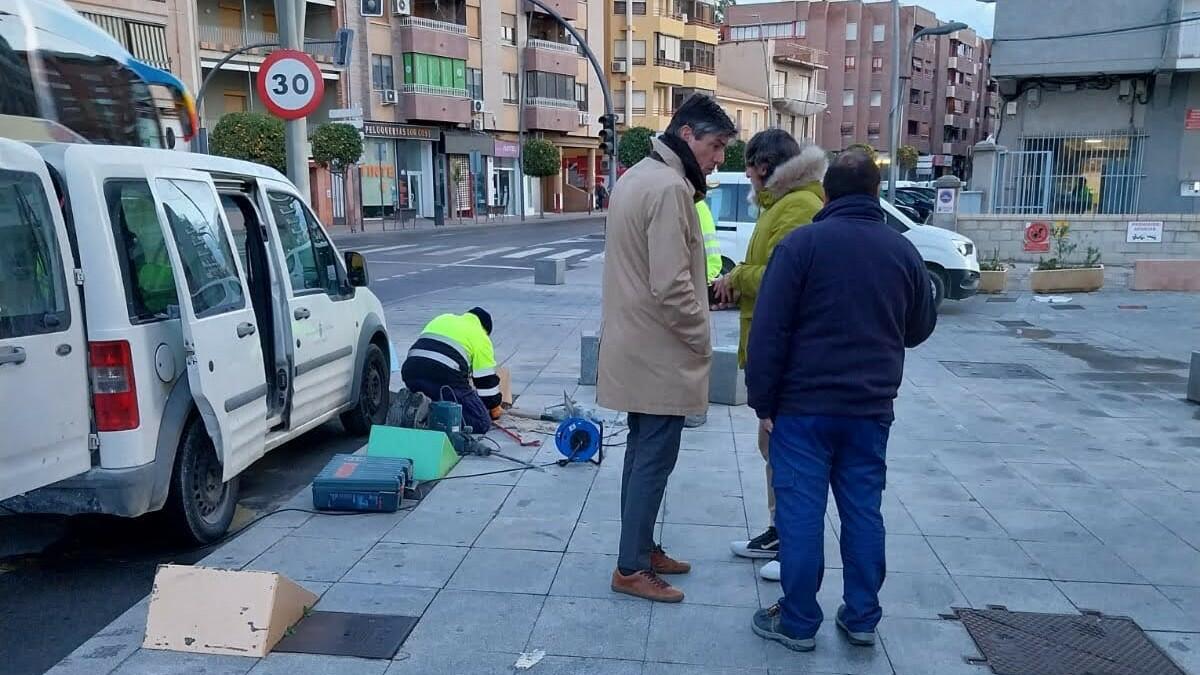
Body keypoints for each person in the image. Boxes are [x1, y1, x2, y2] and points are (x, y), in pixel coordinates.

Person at [745, 150, 936, 652]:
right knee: (863, 511)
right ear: (876, 194)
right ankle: (862, 617)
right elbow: (919, 328)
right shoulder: (902, 252)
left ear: (826, 195)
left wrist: (763, 402)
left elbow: (770, 330)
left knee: (800, 514)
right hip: (870, 411)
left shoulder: (802, 245)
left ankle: (798, 621)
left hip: (802, 409)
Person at [598, 94, 738, 603]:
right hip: (659, 349)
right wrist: (701, 336)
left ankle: (641, 548)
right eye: (716, 145)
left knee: (642, 456)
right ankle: (632, 567)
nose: (719, 158)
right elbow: (673, 285)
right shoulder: (670, 188)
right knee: (652, 459)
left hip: (637, 344)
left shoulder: (638, 176)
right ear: (687, 135)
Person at [712, 129, 828, 583]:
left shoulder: (799, 207)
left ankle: (794, 547)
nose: (745, 175)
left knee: (786, 451)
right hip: (768, 344)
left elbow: (786, 275)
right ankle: (780, 534)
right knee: (771, 447)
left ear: (764, 167)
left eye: (746, 166)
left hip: (787, 354)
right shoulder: (781, 204)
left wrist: (738, 277)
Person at [400, 308, 501, 435]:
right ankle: (430, 419)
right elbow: (486, 383)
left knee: (436, 392)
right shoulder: (481, 336)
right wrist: (492, 407)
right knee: (481, 422)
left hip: (411, 370)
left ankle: (415, 403)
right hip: (444, 374)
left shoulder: (443, 318)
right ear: (485, 329)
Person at [683, 195, 723, 430]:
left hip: (695, 290)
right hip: (695, 288)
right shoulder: (694, 205)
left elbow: (709, 256)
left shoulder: (694, 206)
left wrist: (699, 289)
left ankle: (694, 411)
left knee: (693, 354)